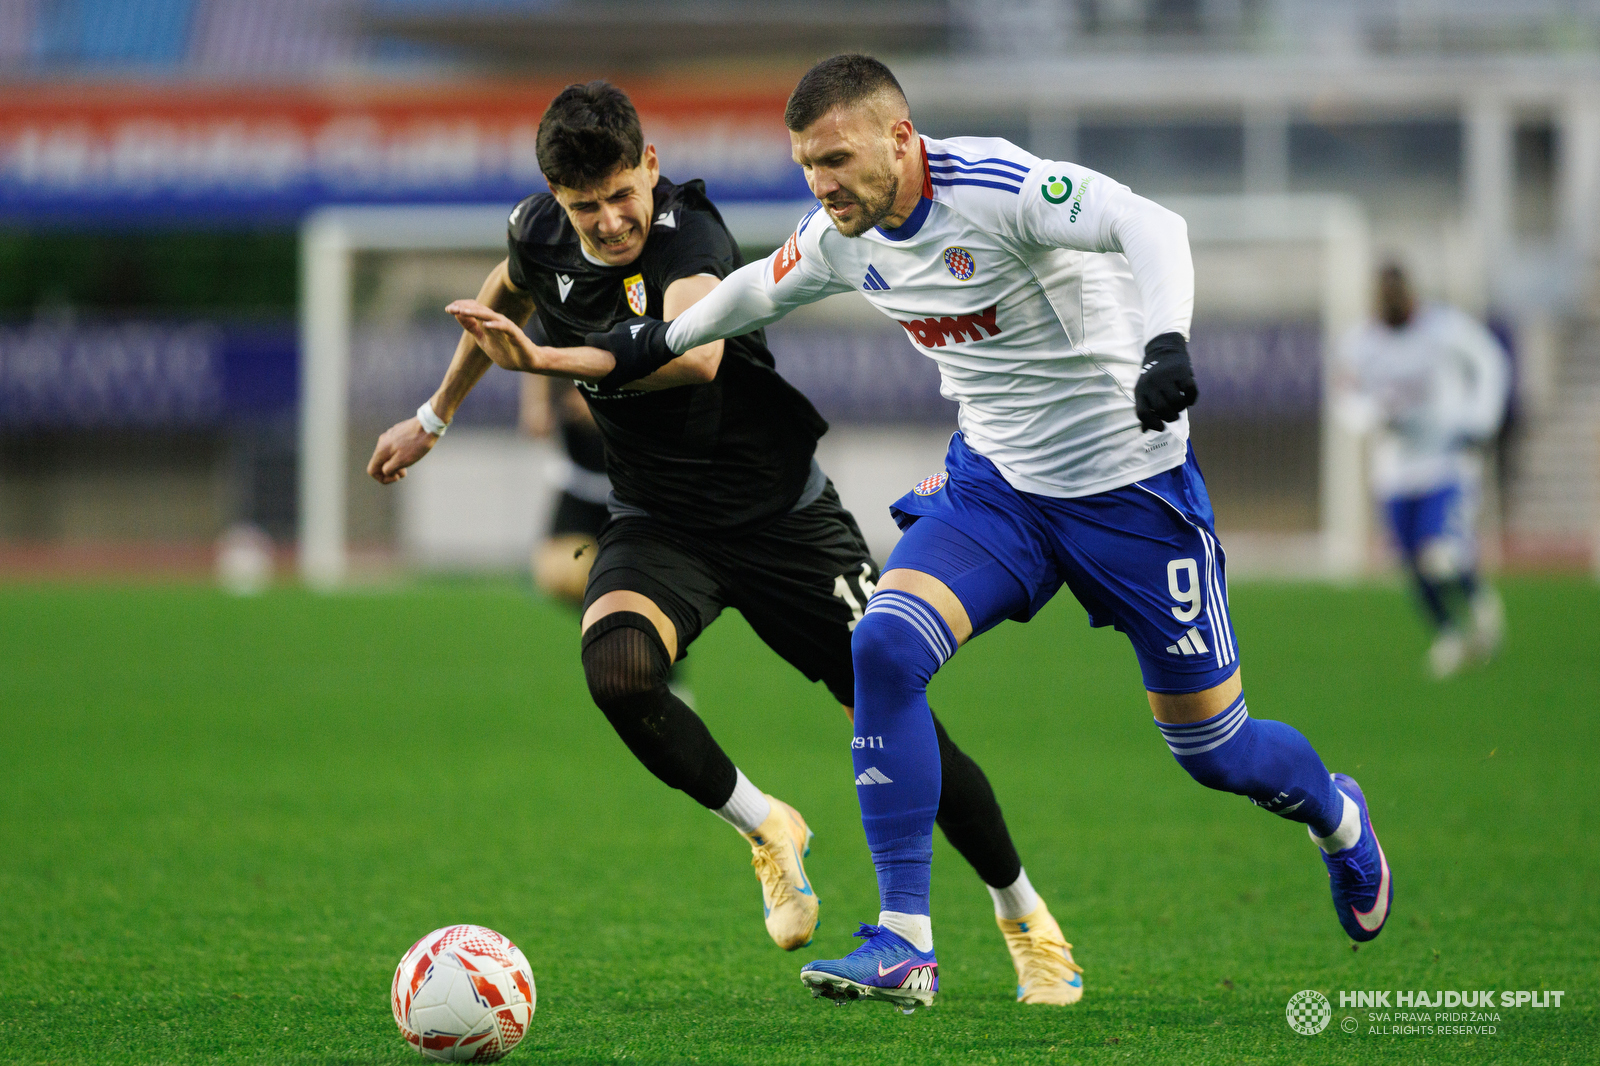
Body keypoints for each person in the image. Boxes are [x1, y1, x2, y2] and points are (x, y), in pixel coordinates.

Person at [580, 55, 1394, 1011]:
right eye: (807, 165)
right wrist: (648, 346)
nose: (821, 184)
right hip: (996, 492)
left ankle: (1339, 819)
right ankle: (905, 942)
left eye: (836, 158)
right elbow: (753, 291)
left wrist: (1167, 341)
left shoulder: (998, 187)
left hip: (1133, 498)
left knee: (1215, 751)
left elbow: (1151, 224)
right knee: (881, 643)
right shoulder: (843, 235)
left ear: (899, 136)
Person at [366, 80, 1084, 1005]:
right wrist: (435, 414)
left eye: (624, 194)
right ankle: (765, 827)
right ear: (556, 201)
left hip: (785, 521)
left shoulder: (691, 234)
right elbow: (501, 294)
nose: (612, 220)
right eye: (588, 207)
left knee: (895, 712)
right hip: (659, 524)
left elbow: (694, 353)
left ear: (650, 167)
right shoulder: (537, 232)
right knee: (618, 673)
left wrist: (544, 361)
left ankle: (1024, 915)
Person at [1338, 263, 1510, 678]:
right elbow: (1346, 396)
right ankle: (1449, 633)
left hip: (1443, 461)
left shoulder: (1445, 329)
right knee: (1411, 562)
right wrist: (1370, 416)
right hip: (1395, 469)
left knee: (1439, 553)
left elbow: (1490, 361)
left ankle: (1478, 599)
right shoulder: (1361, 342)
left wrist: (1480, 418)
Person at [518, 346, 611, 607]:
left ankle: (636, 626)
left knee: (639, 580)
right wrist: (537, 405)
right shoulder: (560, 314)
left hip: (634, 485)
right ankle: (620, 622)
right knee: (556, 571)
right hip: (580, 481)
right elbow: (536, 348)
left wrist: (602, 408)